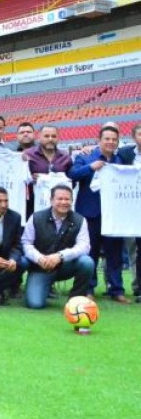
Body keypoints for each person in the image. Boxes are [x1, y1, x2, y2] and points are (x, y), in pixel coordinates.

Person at [68, 125, 129, 303]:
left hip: (114, 215)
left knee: (115, 254)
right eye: (107, 139)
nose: (110, 142)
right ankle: (88, 289)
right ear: (99, 140)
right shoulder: (86, 156)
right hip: (89, 213)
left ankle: (116, 289)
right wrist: (91, 167)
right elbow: (72, 174)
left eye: (114, 139)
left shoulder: (121, 160)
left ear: (118, 142)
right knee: (90, 253)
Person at [21, 185, 93, 309]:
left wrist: (60, 256)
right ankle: (43, 287)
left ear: (72, 200)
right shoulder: (36, 217)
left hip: (65, 266)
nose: (64, 202)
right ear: (51, 200)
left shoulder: (80, 220)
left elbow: (84, 246)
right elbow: (26, 243)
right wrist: (39, 258)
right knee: (35, 304)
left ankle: (75, 300)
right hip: (41, 267)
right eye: (60, 199)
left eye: (67, 199)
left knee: (87, 262)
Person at [117, 124, 141, 302]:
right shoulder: (125, 153)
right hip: (129, 210)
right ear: (134, 136)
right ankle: (136, 285)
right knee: (132, 249)